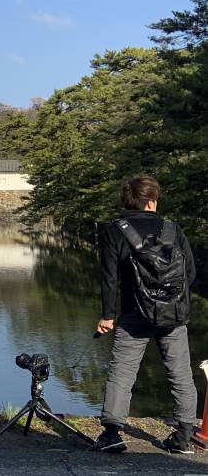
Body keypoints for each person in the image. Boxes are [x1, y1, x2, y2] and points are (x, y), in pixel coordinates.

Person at [93, 175, 198, 454]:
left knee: (122, 372)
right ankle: (184, 436)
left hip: (134, 313)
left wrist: (107, 316)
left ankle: (113, 434)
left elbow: (109, 279)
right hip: (173, 314)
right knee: (180, 373)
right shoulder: (171, 228)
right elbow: (189, 274)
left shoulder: (115, 231)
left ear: (126, 201)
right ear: (152, 201)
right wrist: (174, 302)